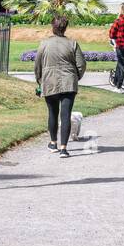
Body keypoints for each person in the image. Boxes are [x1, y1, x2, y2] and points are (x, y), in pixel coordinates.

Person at [32, 15, 86, 157]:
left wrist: (39, 80)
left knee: (53, 113)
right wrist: (76, 76)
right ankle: (64, 148)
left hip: (49, 81)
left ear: (53, 27)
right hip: (69, 82)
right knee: (66, 114)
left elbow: (37, 65)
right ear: (65, 27)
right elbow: (81, 65)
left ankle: (53, 142)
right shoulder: (72, 44)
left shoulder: (44, 44)